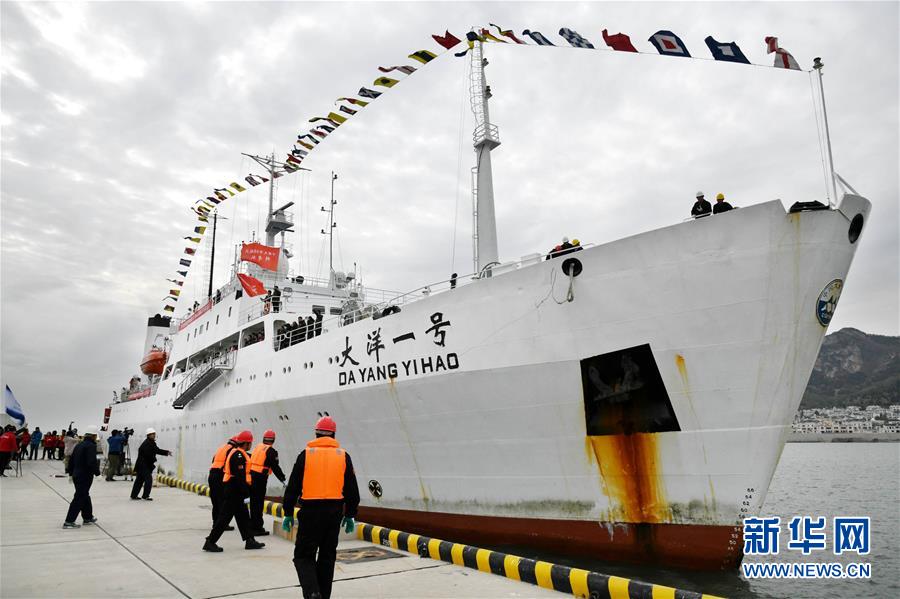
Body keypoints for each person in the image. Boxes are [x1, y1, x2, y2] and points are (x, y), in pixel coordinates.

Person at [282, 416, 360, 599]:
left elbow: (292, 488)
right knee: (327, 557)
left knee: (303, 556)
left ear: (316, 433)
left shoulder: (306, 454)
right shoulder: (343, 456)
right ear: (333, 434)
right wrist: (350, 515)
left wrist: (287, 513)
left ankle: (312, 592)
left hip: (310, 512)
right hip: (334, 514)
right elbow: (352, 491)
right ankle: (323, 596)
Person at [202, 430, 265, 552]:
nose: (251, 445)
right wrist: (246, 493)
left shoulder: (238, 453)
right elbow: (239, 477)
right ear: (246, 443)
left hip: (235, 490)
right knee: (224, 519)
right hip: (234, 491)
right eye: (250, 443)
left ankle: (249, 540)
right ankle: (210, 542)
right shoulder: (238, 456)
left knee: (243, 517)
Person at [248, 430, 287, 536]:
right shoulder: (271, 451)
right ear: (273, 440)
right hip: (260, 479)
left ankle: (253, 525)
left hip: (252, 477)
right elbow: (275, 467)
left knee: (254, 503)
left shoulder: (258, 447)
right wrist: (283, 479)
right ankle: (257, 528)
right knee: (258, 503)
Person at [63, 425, 101, 528]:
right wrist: (97, 473)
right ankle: (69, 521)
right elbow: (91, 462)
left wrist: (70, 473)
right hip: (85, 476)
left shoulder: (79, 445)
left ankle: (87, 517)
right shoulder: (91, 446)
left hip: (77, 475)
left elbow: (71, 460)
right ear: (93, 436)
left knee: (85, 495)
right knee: (79, 497)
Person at [131, 428, 171, 500]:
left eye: (154, 434)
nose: (154, 435)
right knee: (148, 480)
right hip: (144, 465)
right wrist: (153, 461)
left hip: (142, 465)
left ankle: (134, 495)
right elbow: (149, 455)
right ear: (148, 435)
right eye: (152, 434)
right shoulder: (147, 444)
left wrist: (166, 452)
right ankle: (145, 496)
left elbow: (157, 450)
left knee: (139, 480)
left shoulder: (150, 442)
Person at [208, 435, 239, 529]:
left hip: (212, 475)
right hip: (219, 476)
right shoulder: (231, 451)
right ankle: (222, 525)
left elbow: (213, 460)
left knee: (216, 502)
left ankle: (215, 523)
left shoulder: (221, 448)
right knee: (222, 501)